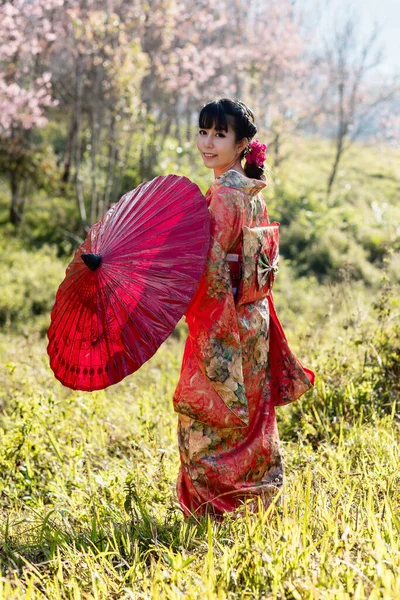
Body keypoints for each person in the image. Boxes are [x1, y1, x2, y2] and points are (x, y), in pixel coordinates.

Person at [172, 98, 315, 521]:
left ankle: (217, 508)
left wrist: (183, 292)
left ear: (241, 144)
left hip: (227, 319)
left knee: (209, 416)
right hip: (255, 319)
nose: (207, 143)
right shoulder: (250, 191)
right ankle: (255, 501)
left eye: (219, 134)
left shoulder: (225, 195)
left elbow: (211, 268)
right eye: (203, 131)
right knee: (250, 417)